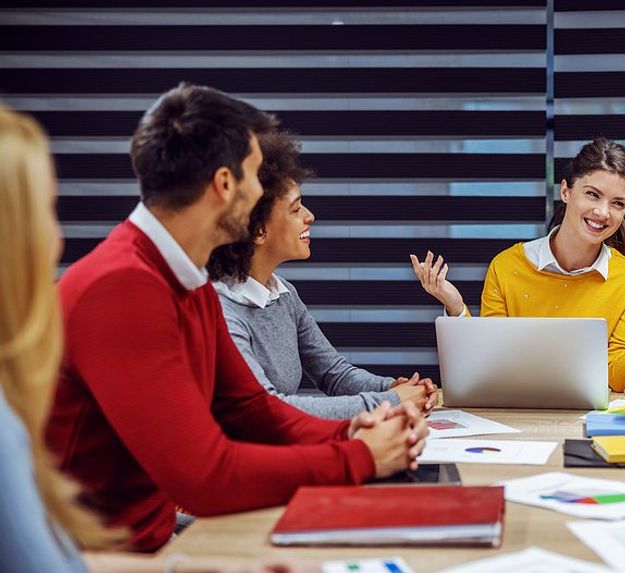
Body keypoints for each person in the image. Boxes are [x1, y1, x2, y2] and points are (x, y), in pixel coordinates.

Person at [44, 85, 428, 553]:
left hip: (156, 541)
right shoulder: (123, 287)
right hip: (110, 558)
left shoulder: (188, 277)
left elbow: (250, 411)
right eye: (254, 176)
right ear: (225, 185)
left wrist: (348, 432)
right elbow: (204, 476)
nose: (260, 190)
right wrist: (358, 458)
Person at [0, 107, 322, 572]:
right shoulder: (123, 290)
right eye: (46, 213)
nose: (56, 240)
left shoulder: (200, 287)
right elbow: (209, 465)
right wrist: (363, 448)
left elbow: (64, 559)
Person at [411, 138, 625, 392]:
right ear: (566, 191)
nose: (603, 213)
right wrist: (455, 306)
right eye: (592, 194)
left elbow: (617, 377)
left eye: (617, 203)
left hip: (586, 421)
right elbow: (485, 363)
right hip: (511, 418)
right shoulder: (508, 266)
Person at [207, 129, 437, 420]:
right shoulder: (221, 312)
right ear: (257, 230)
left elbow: (334, 374)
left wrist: (398, 387)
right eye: (295, 209)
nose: (309, 215)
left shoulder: (284, 295)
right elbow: (269, 410)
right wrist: (391, 401)